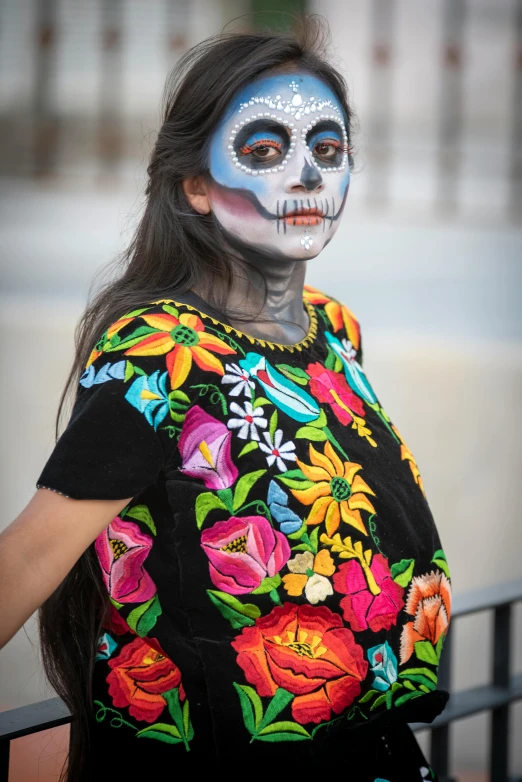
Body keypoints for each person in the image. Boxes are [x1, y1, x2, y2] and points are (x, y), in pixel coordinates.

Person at [0, 17, 451, 782]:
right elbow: (28, 560)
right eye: (265, 151)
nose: (307, 174)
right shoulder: (161, 353)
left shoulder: (334, 331)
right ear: (197, 187)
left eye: (328, 150)